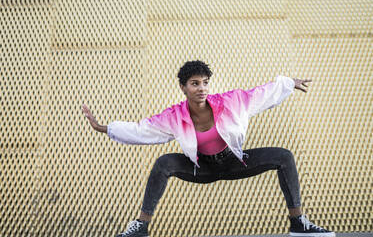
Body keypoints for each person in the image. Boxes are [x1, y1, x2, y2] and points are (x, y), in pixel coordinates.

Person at [82, 60, 335, 237]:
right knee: (164, 163)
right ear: (183, 87)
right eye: (194, 83)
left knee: (284, 156)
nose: (201, 88)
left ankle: (298, 223)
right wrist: (103, 127)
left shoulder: (230, 102)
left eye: (204, 82)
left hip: (235, 162)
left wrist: (289, 83)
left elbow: (261, 94)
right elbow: (141, 130)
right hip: (201, 168)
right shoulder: (175, 115)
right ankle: (141, 227)